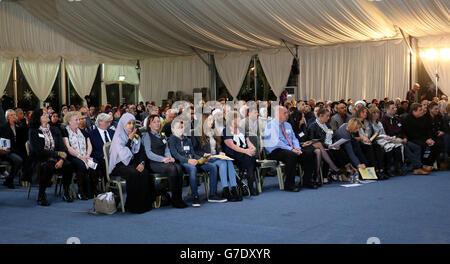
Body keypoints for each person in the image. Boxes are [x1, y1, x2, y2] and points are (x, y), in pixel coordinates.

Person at [108, 113, 156, 214]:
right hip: (120, 164)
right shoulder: (118, 137)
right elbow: (124, 155)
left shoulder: (136, 133)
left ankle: (144, 205)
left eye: (133, 123)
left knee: (144, 172)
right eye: (128, 123)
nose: (131, 126)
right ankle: (132, 206)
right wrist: (129, 139)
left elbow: (141, 151)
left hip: (132, 162)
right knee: (133, 173)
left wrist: (142, 163)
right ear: (123, 124)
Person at [28, 108, 74, 206]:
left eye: (46, 114)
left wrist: (61, 160)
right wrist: (57, 154)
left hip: (56, 158)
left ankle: (66, 192)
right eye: (43, 114)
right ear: (38, 118)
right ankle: (41, 195)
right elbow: (38, 151)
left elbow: (62, 147)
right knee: (46, 167)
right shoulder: (33, 131)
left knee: (69, 165)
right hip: (40, 159)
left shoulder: (54, 129)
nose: (46, 115)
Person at [264, 106, 316, 191]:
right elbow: (276, 142)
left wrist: (297, 148)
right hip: (275, 150)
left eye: (287, 112)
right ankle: (289, 184)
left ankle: (307, 181)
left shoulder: (287, 125)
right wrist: (291, 149)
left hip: (290, 149)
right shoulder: (270, 125)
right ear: (278, 114)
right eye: (285, 113)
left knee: (309, 154)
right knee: (291, 155)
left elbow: (294, 138)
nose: (287, 115)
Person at [169, 119, 218, 207]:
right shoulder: (172, 139)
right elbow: (175, 154)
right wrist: (188, 160)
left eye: (181, 127)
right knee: (192, 168)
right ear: (173, 129)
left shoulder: (187, 139)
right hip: (182, 163)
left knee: (212, 166)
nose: (180, 129)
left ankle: (212, 194)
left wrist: (202, 159)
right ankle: (195, 196)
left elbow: (193, 154)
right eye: (178, 127)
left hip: (193, 160)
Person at [142, 114, 187, 209]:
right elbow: (149, 153)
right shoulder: (147, 136)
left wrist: (170, 158)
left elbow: (166, 149)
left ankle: (179, 198)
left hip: (165, 161)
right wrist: (163, 159)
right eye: (154, 122)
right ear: (149, 125)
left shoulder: (162, 135)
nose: (157, 124)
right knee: (173, 169)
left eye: (158, 121)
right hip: (154, 163)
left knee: (178, 167)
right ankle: (175, 199)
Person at [192, 113, 240, 202]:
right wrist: (205, 155)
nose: (212, 122)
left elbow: (218, 146)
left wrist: (220, 152)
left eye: (212, 120)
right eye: (209, 120)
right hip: (207, 158)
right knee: (223, 163)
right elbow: (194, 151)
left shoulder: (214, 131)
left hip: (216, 156)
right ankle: (226, 189)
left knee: (228, 161)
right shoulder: (197, 133)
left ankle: (234, 188)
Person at [307, 108, 348, 183]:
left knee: (341, 151)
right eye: (327, 116)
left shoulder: (327, 125)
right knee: (329, 153)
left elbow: (332, 136)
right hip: (321, 147)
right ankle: (327, 175)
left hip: (330, 146)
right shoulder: (312, 126)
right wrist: (327, 146)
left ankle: (336, 172)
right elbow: (313, 141)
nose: (329, 118)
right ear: (321, 116)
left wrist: (336, 144)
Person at [222, 111, 258, 195]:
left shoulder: (241, 129)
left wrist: (252, 148)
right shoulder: (226, 130)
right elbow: (232, 146)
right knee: (249, 158)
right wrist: (246, 151)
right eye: (237, 118)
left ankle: (248, 183)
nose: (239, 120)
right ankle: (250, 185)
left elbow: (248, 142)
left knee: (251, 157)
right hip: (233, 154)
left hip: (245, 153)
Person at [61, 111, 95, 200]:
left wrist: (87, 155)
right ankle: (81, 191)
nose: (78, 121)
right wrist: (80, 156)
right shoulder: (65, 131)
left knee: (95, 164)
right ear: (69, 121)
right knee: (81, 164)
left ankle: (92, 190)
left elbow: (89, 144)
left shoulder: (83, 132)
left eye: (79, 119)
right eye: (76, 120)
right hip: (73, 156)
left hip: (85, 155)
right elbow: (68, 147)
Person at [402, 103, 436, 173]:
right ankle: (419, 166)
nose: (422, 112)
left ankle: (426, 164)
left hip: (420, 138)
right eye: (420, 110)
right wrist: (425, 140)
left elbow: (426, 130)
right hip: (411, 138)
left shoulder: (422, 118)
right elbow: (411, 134)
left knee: (435, 144)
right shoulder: (408, 119)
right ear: (414, 111)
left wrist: (429, 138)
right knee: (420, 145)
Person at [89, 113, 115, 196]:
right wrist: (104, 156)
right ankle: (110, 186)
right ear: (100, 122)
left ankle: (115, 185)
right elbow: (92, 150)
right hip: (100, 157)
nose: (109, 124)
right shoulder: (92, 134)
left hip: (114, 156)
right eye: (107, 122)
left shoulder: (112, 132)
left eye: (109, 121)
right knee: (104, 163)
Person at [0, 110, 23, 189]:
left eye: (14, 115)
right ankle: (10, 180)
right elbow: (4, 143)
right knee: (18, 160)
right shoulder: (4, 128)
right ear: (7, 117)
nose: (14, 116)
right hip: (7, 151)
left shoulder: (18, 126)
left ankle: (25, 179)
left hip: (16, 150)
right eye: (12, 115)